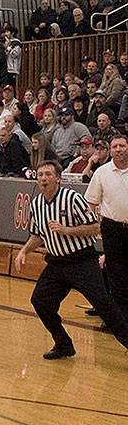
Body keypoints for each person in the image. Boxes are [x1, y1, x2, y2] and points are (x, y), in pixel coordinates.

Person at [16, 161, 128, 359]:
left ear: (58, 178)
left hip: (81, 260)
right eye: (40, 174)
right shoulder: (36, 204)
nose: (43, 178)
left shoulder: (72, 198)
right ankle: (63, 344)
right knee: (40, 301)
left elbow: (95, 227)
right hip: (56, 264)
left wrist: (68, 231)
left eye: (48, 174)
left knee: (104, 304)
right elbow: (38, 235)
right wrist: (24, 251)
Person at [86, 133, 128, 319]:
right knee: (116, 274)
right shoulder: (101, 173)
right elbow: (91, 204)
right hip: (112, 228)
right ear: (110, 151)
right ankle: (119, 319)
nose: (118, 150)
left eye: (122, 146)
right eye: (115, 147)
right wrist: (93, 227)